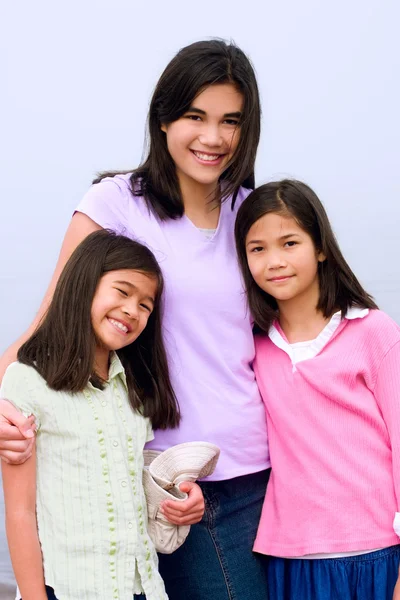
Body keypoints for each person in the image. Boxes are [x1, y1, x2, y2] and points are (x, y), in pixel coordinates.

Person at [0, 40, 270, 599]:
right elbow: (52, 319)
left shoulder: (252, 213)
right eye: (195, 116)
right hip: (151, 470)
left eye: (231, 121)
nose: (213, 137)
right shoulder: (117, 201)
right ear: (164, 117)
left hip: (253, 472)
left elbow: (288, 333)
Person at [1, 229, 203, 600]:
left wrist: (180, 500)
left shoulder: (134, 390)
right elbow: (20, 513)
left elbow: (130, 487)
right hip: (69, 589)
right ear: (84, 284)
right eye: (123, 291)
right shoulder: (27, 382)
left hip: (142, 587)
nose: (132, 310)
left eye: (146, 305)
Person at [234, 179, 400, 600]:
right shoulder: (251, 346)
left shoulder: (372, 332)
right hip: (290, 558)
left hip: (375, 551)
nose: (274, 260)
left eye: (289, 243)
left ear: (320, 247)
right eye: (258, 249)